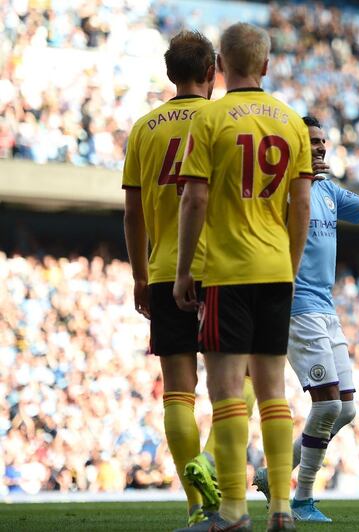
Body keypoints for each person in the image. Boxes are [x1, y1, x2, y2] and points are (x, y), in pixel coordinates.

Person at [173, 22, 312, 532]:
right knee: (273, 390)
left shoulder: (210, 119)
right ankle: (280, 507)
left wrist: (185, 270)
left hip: (228, 271)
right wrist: (290, 265)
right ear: (267, 66)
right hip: (276, 268)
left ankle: (233, 510)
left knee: (228, 391)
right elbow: (301, 201)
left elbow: (195, 198)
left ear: (219, 68)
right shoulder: (290, 121)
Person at [252, 116, 359, 522]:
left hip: (326, 308)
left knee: (345, 410)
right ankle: (301, 498)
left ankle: (272, 473)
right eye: (311, 141)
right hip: (296, 307)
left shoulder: (328, 189)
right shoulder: (278, 189)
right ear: (294, 146)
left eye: (323, 141)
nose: (320, 147)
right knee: (327, 404)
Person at [122, 30, 222, 527]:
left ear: (169, 74)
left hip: (163, 270)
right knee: (241, 380)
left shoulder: (144, 128)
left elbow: (133, 212)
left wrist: (141, 276)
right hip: (224, 267)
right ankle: (208, 459)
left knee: (179, 388)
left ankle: (194, 504)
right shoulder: (224, 119)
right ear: (212, 72)